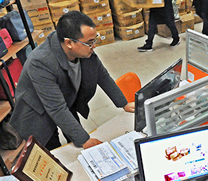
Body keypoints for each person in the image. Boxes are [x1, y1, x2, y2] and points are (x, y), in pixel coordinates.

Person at [10, 11, 134, 150]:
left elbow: (102, 76)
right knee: (53, 150)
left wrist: (123, 103)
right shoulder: (41, 62)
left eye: (94, 40)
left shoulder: (84, 51)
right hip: (37, 112)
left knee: (76, 137)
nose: (94, 46)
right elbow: (56, 108)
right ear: (69, 42)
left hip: (64, 100)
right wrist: (84, 140)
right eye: (89, 43)